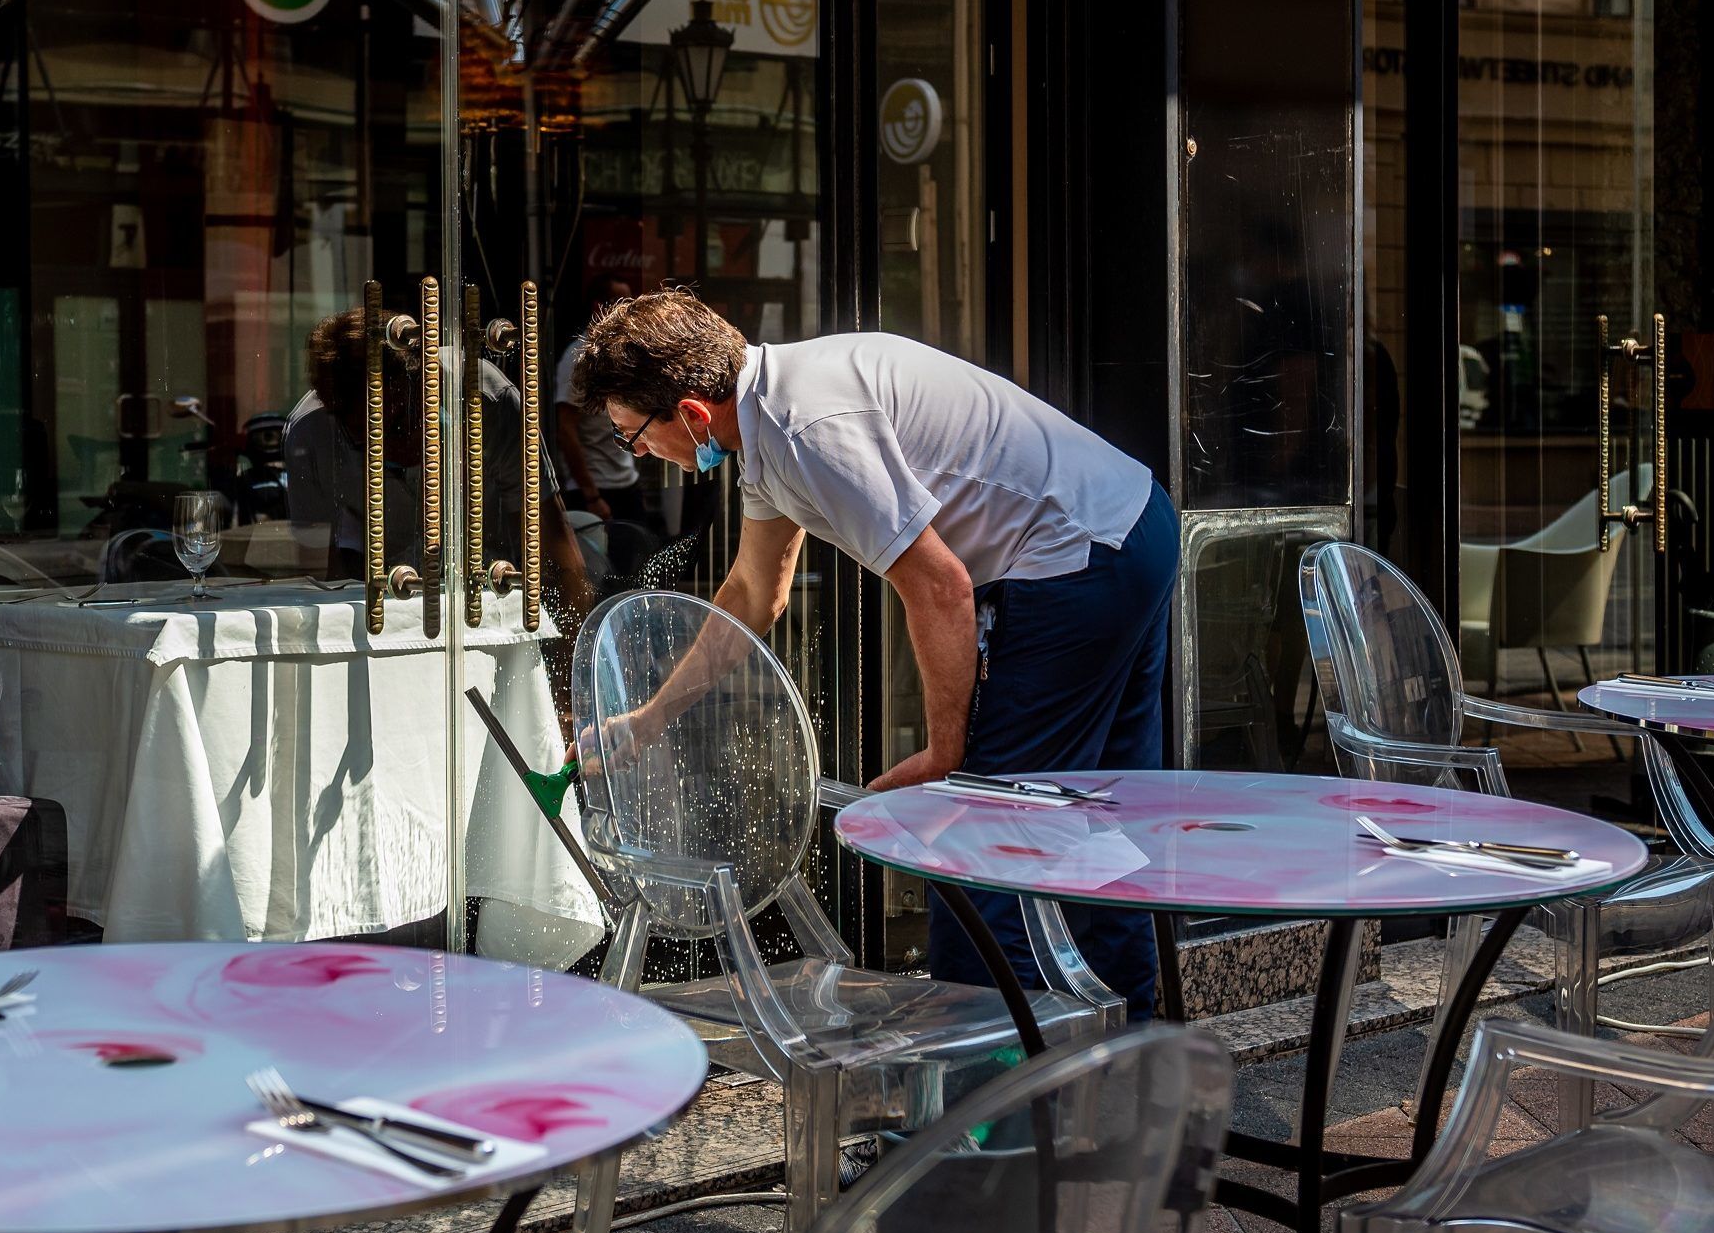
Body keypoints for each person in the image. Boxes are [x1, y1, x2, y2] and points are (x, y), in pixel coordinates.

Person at [572, 289, 1175, 1019]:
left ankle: (987, 1102)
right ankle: (1135, 1058)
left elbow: (940, 584)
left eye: (636, 437)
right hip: (1129, 525)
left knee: (982, 843)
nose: (644, 456)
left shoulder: (806, 429)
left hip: (1078, 561)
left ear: (693, 413)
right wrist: (649, 717)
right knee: (1091, 819)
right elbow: (753, 595)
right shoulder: (774, 416)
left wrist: (947, 755)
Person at [284, 307, 592, 614]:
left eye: (403, 422)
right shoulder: (310, 436)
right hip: (390, 605)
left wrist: (567, 655)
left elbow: (554, 548)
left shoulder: (487, 400)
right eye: (371, 440)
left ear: (427, 382)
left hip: (494, 598)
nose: (399, 446)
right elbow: (321, 579)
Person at [550, 275, 647, 524]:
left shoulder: (623, 353)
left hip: (627, 482)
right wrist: (591, 495)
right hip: (595, 490)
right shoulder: (578, 359)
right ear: (599, 307)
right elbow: (566, 431)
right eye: (620, 302)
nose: (628, 310)